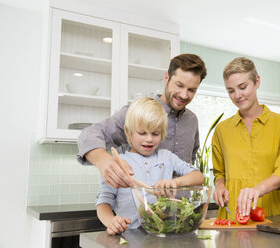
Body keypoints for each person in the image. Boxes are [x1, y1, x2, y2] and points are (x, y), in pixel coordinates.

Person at [77, 54, 207, 189]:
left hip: (181, 207)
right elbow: (90, 134)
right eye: (179, 85)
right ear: (166, 78)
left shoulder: (192, 121)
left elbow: (190, 164)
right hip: (138, 207)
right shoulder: (137, 112)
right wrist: (103, 161)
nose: (184, 95)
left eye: (192, 90)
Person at [96, 97, 204, 235]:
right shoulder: (118, 164)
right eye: (142, 133)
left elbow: (198, 176)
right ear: (129, 132)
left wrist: (175, 182)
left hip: (162, 237)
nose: (149, 139)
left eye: (155, 133)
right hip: (129, 237)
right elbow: (103, 202)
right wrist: (111, 221)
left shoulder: (167, 157)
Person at [212, 57, 280, 218]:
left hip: (274, 213)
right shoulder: (221, 130)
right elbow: (219, 173)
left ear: (257, 82)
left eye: (243, 87)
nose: (237, 95)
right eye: (231, 91)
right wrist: (219, 186)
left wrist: (258, 189)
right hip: (233, 214)